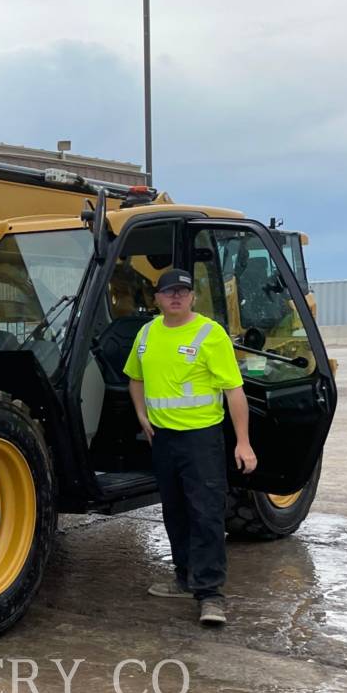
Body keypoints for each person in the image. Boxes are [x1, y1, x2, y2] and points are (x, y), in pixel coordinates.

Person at [123, 268, 256, 625]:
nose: (176, 297)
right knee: (175, 512)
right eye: (169, 292)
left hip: (202, 440)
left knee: (206, 514)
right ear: (157, 298)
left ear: (192, 296)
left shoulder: (209, 334)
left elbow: (234, 391)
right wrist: (142, 416)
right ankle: (184, 578)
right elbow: (135, 378)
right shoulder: (147, 333)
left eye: (183, 291)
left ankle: (211, 595)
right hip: (163, 440)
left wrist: (243, 443)